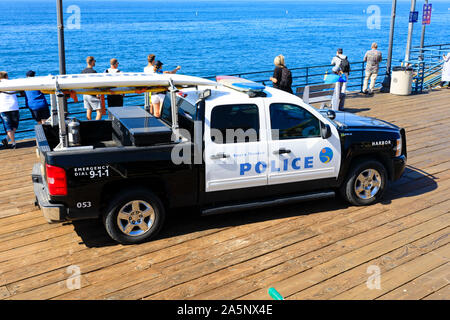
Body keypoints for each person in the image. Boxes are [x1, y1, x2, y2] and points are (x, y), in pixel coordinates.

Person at [0, 71, 20, 149]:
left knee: (8, 126)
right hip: (14, 106)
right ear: (7, 76)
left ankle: (12, 142)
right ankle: (9, 140)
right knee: (14, 125)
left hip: (3, 108)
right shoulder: (12, 83)